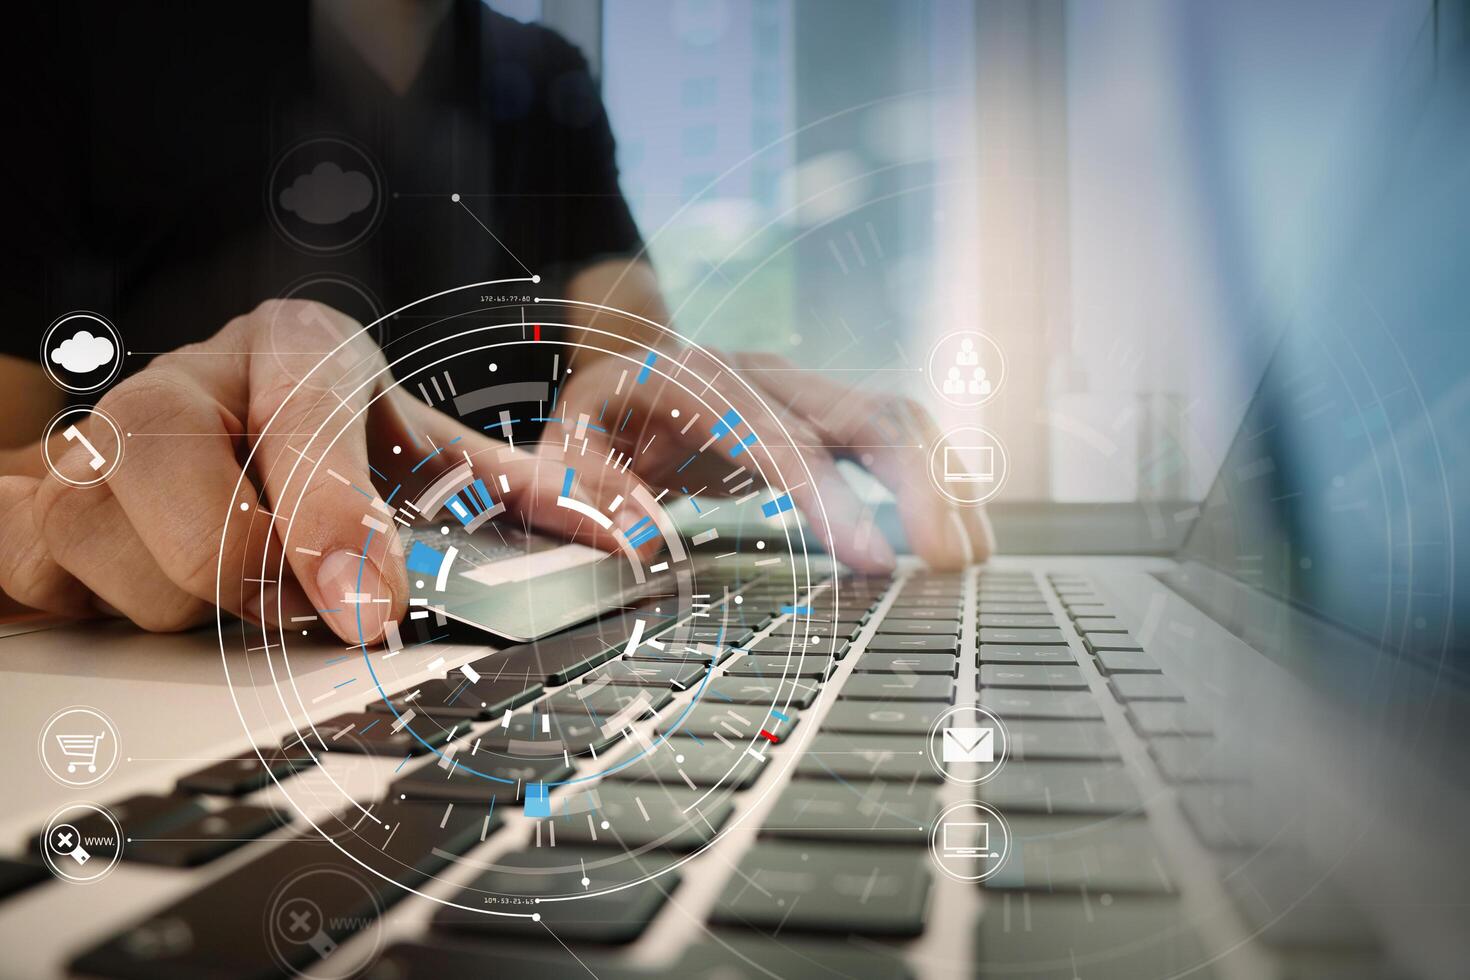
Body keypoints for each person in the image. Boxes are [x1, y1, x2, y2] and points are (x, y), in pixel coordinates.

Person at [0, 0, 991, 643]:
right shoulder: (73, 46)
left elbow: (628, 348)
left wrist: (654, 394)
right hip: (180, 664)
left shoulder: (545, 77)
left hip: (514, 648)